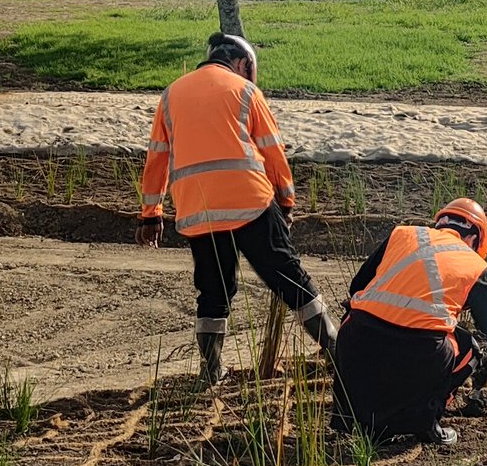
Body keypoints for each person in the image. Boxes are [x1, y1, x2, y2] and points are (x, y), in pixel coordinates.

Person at [137, 31, 338, 383]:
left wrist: (150, 214)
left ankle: (211, 371)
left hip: (199, 212)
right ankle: (336, 349)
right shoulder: (246, 91)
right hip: (251, 205)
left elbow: (156, 159)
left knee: (213, 292)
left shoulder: (171, 95)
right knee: (290, 277)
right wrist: (287, 202)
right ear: (242, 63)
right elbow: (273, 153)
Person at [331, 198, 487, 451]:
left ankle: (353, 417)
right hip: (420, 355)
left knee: (354, 318)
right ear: (475, 238)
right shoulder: (476, 266)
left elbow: (357, 286)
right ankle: (427, 422)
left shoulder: (402, 234)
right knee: (470, 349)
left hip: (355, 343)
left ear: (439, 224)